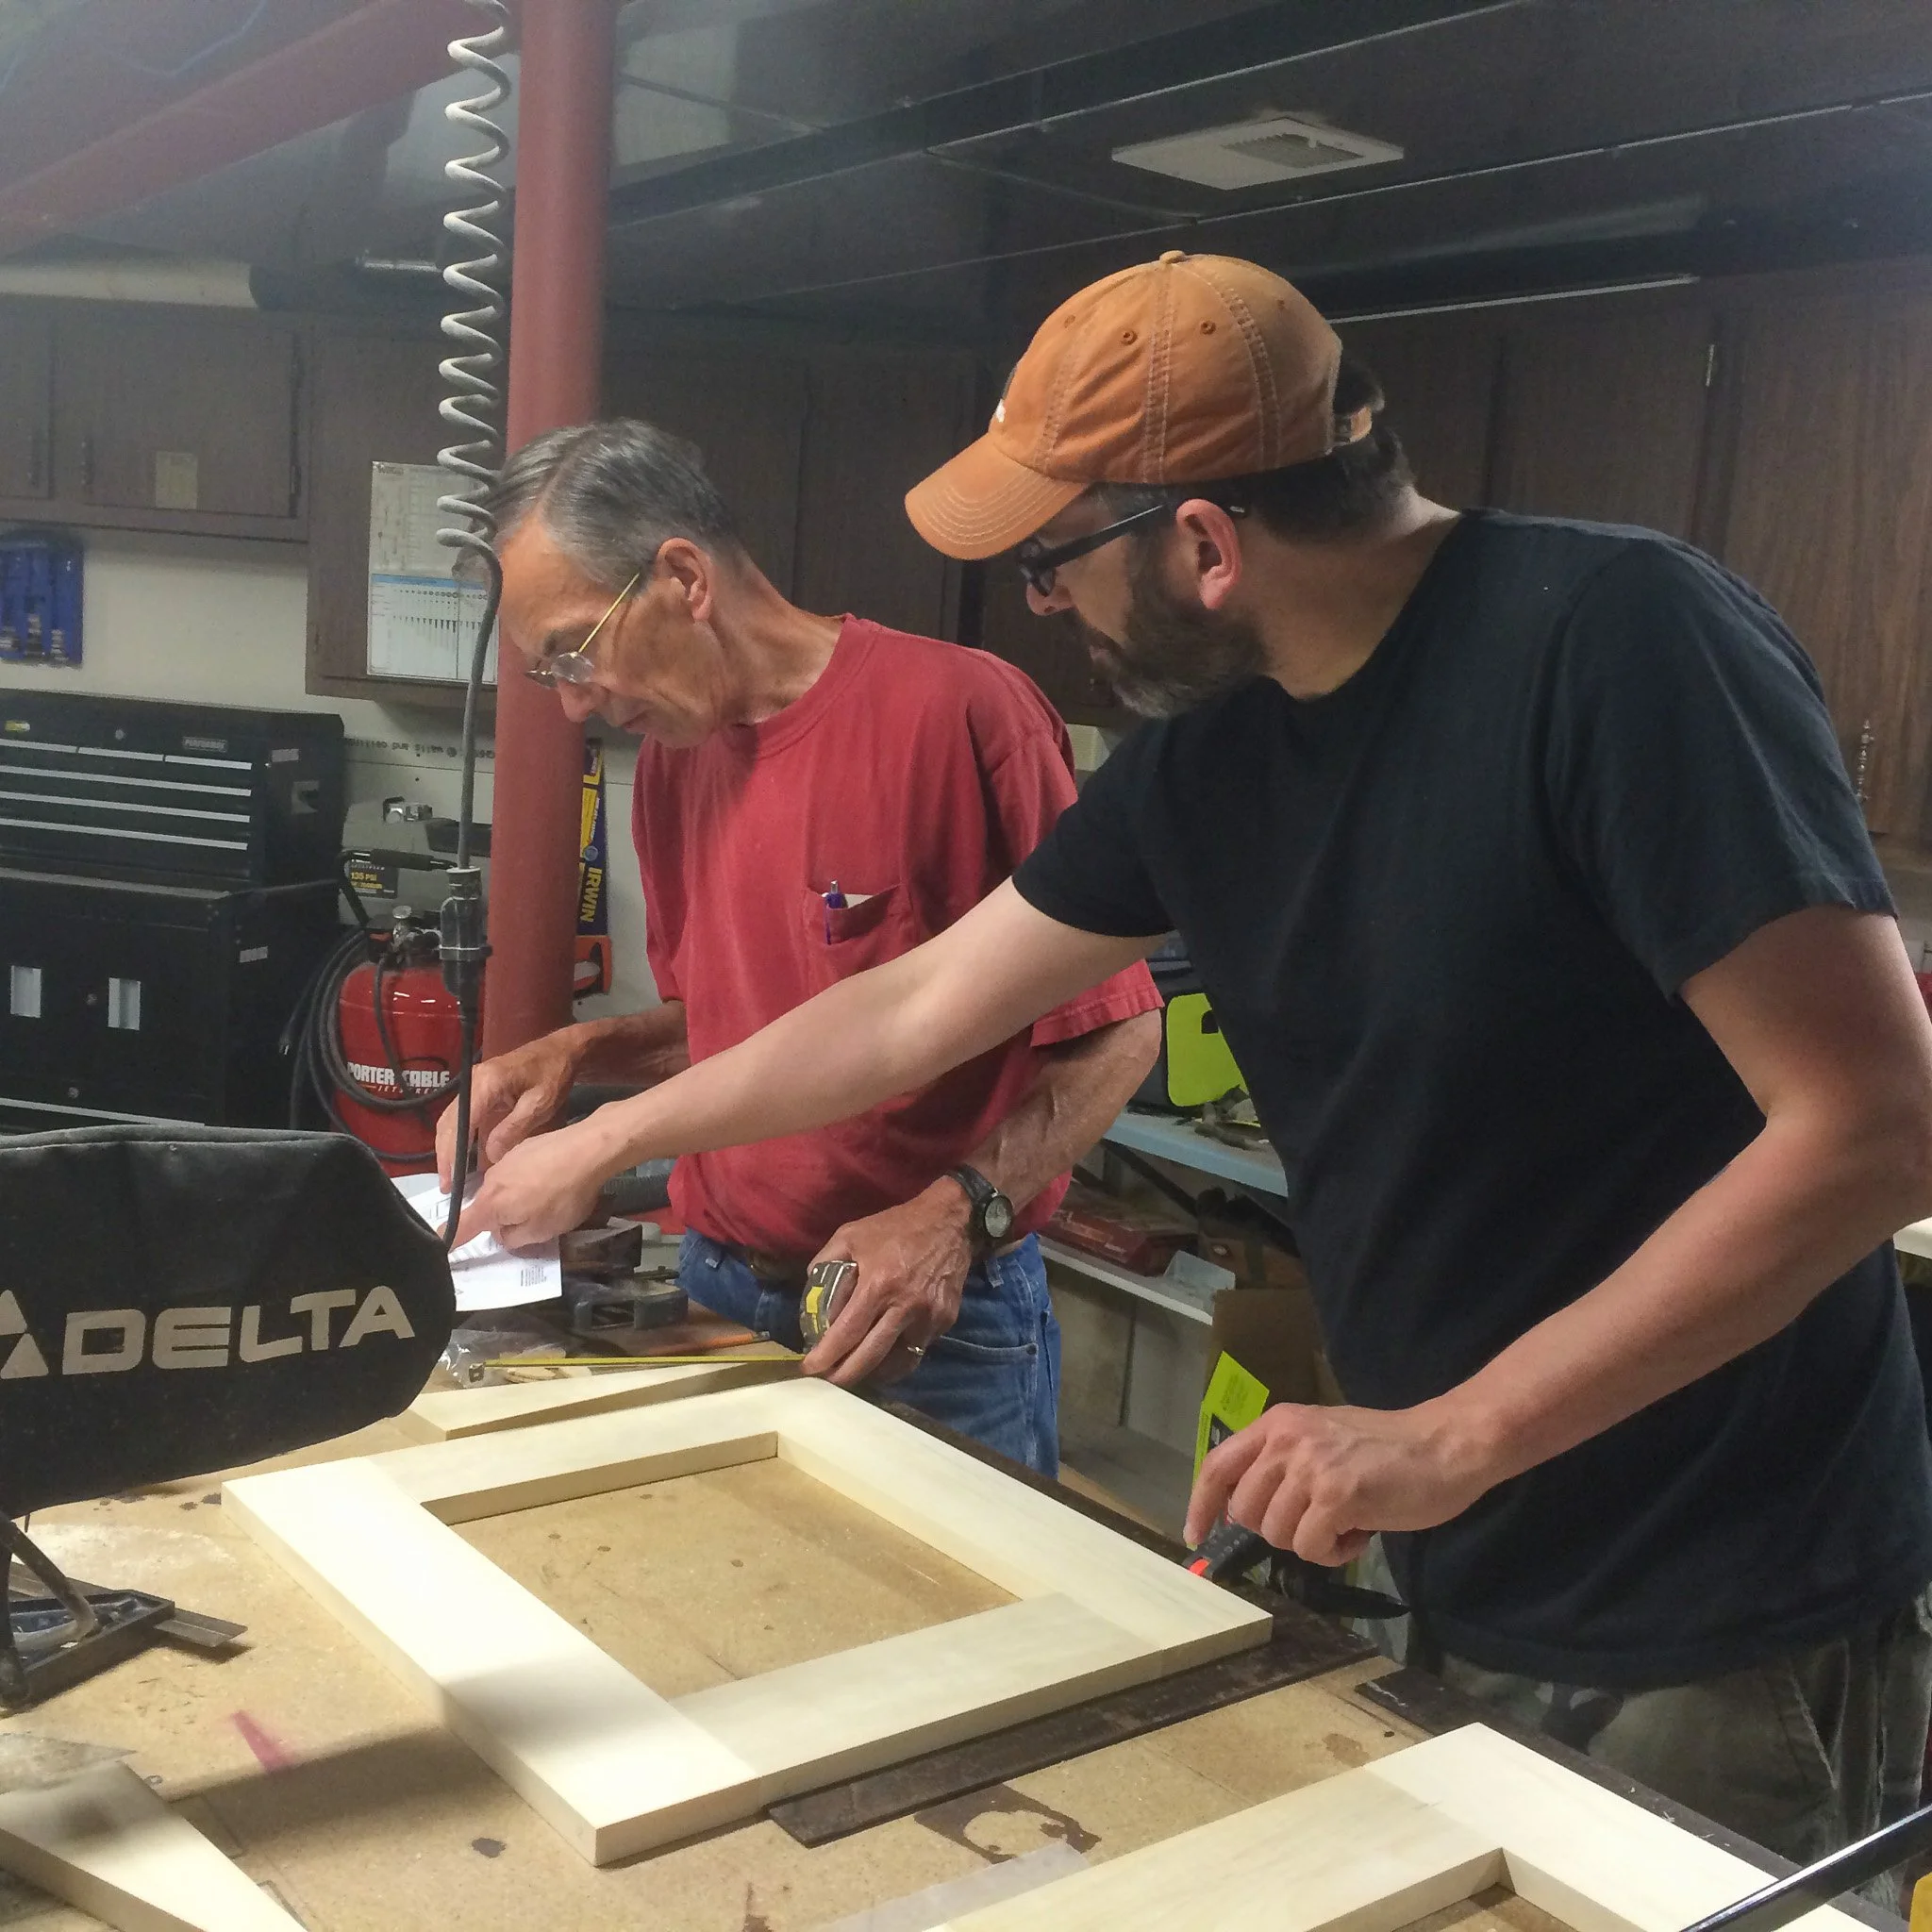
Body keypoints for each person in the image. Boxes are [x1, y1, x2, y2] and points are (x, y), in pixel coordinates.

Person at [456, 252, 1932, 1875]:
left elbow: (1875, 1123)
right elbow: (907, 1007)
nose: (1046, 610)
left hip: (1715, 1592)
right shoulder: (1210, 756)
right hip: (1456, 1545)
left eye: (1050, 565)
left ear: (1203, 544)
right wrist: (608, 1133)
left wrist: (1446, 1432)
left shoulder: (1616, 645)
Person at [443, 419, 1161, 1474]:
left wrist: (948, 1216)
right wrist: (572, 1057)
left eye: (574, 650)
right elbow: (736, 1027)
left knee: (972, 1635)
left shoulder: (960, 713)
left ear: (682, 577)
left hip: (927, 1317)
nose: (571, 702)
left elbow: (1114, 1032)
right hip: (715, 1291)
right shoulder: (679, 757)